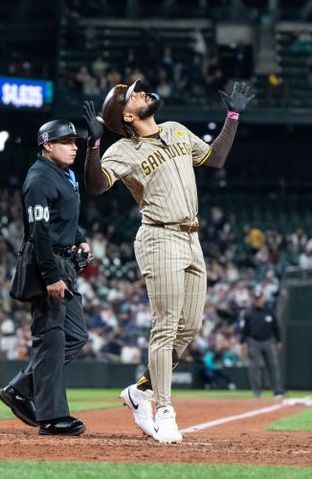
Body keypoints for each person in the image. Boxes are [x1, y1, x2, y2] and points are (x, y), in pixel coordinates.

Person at [82, 79, 254, 443]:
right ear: (128, 115)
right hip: (159, 236)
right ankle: (164, 410)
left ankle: (140, 392)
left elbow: (215, 158)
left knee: (189, 328)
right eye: (134, 95)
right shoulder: (123, 149)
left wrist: (233, 116)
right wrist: (94, 145)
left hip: (192, 237)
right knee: (165, 327)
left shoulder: (174, 129)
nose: (143, 93)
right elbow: (96, 186)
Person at [0, 120, 90, 436]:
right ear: (47, 145)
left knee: (76, 335)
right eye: (66, 142)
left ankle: (21, 388)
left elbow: (65, 215)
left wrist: (80, 236)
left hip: (63, 260)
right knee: (51, 338)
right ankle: (52, 418)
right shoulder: (38, 178)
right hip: (46, 263)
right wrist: (51, 275)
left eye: (75, 142)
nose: (74, 146)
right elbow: (38, 231)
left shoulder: (65, 173)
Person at [240, 287, 285, 398]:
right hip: (253, 341)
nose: (258, 300)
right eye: (256, 298)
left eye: (259, 298)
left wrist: (278, 340)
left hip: (269, 341)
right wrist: (243, 343)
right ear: (253, 299)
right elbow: (244, 329)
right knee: (255, 368)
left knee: (273, 366)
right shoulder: (249, 312)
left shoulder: (269, 311)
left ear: (263, 298)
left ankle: (277, 390)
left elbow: (276, 327)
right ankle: (257, 392)